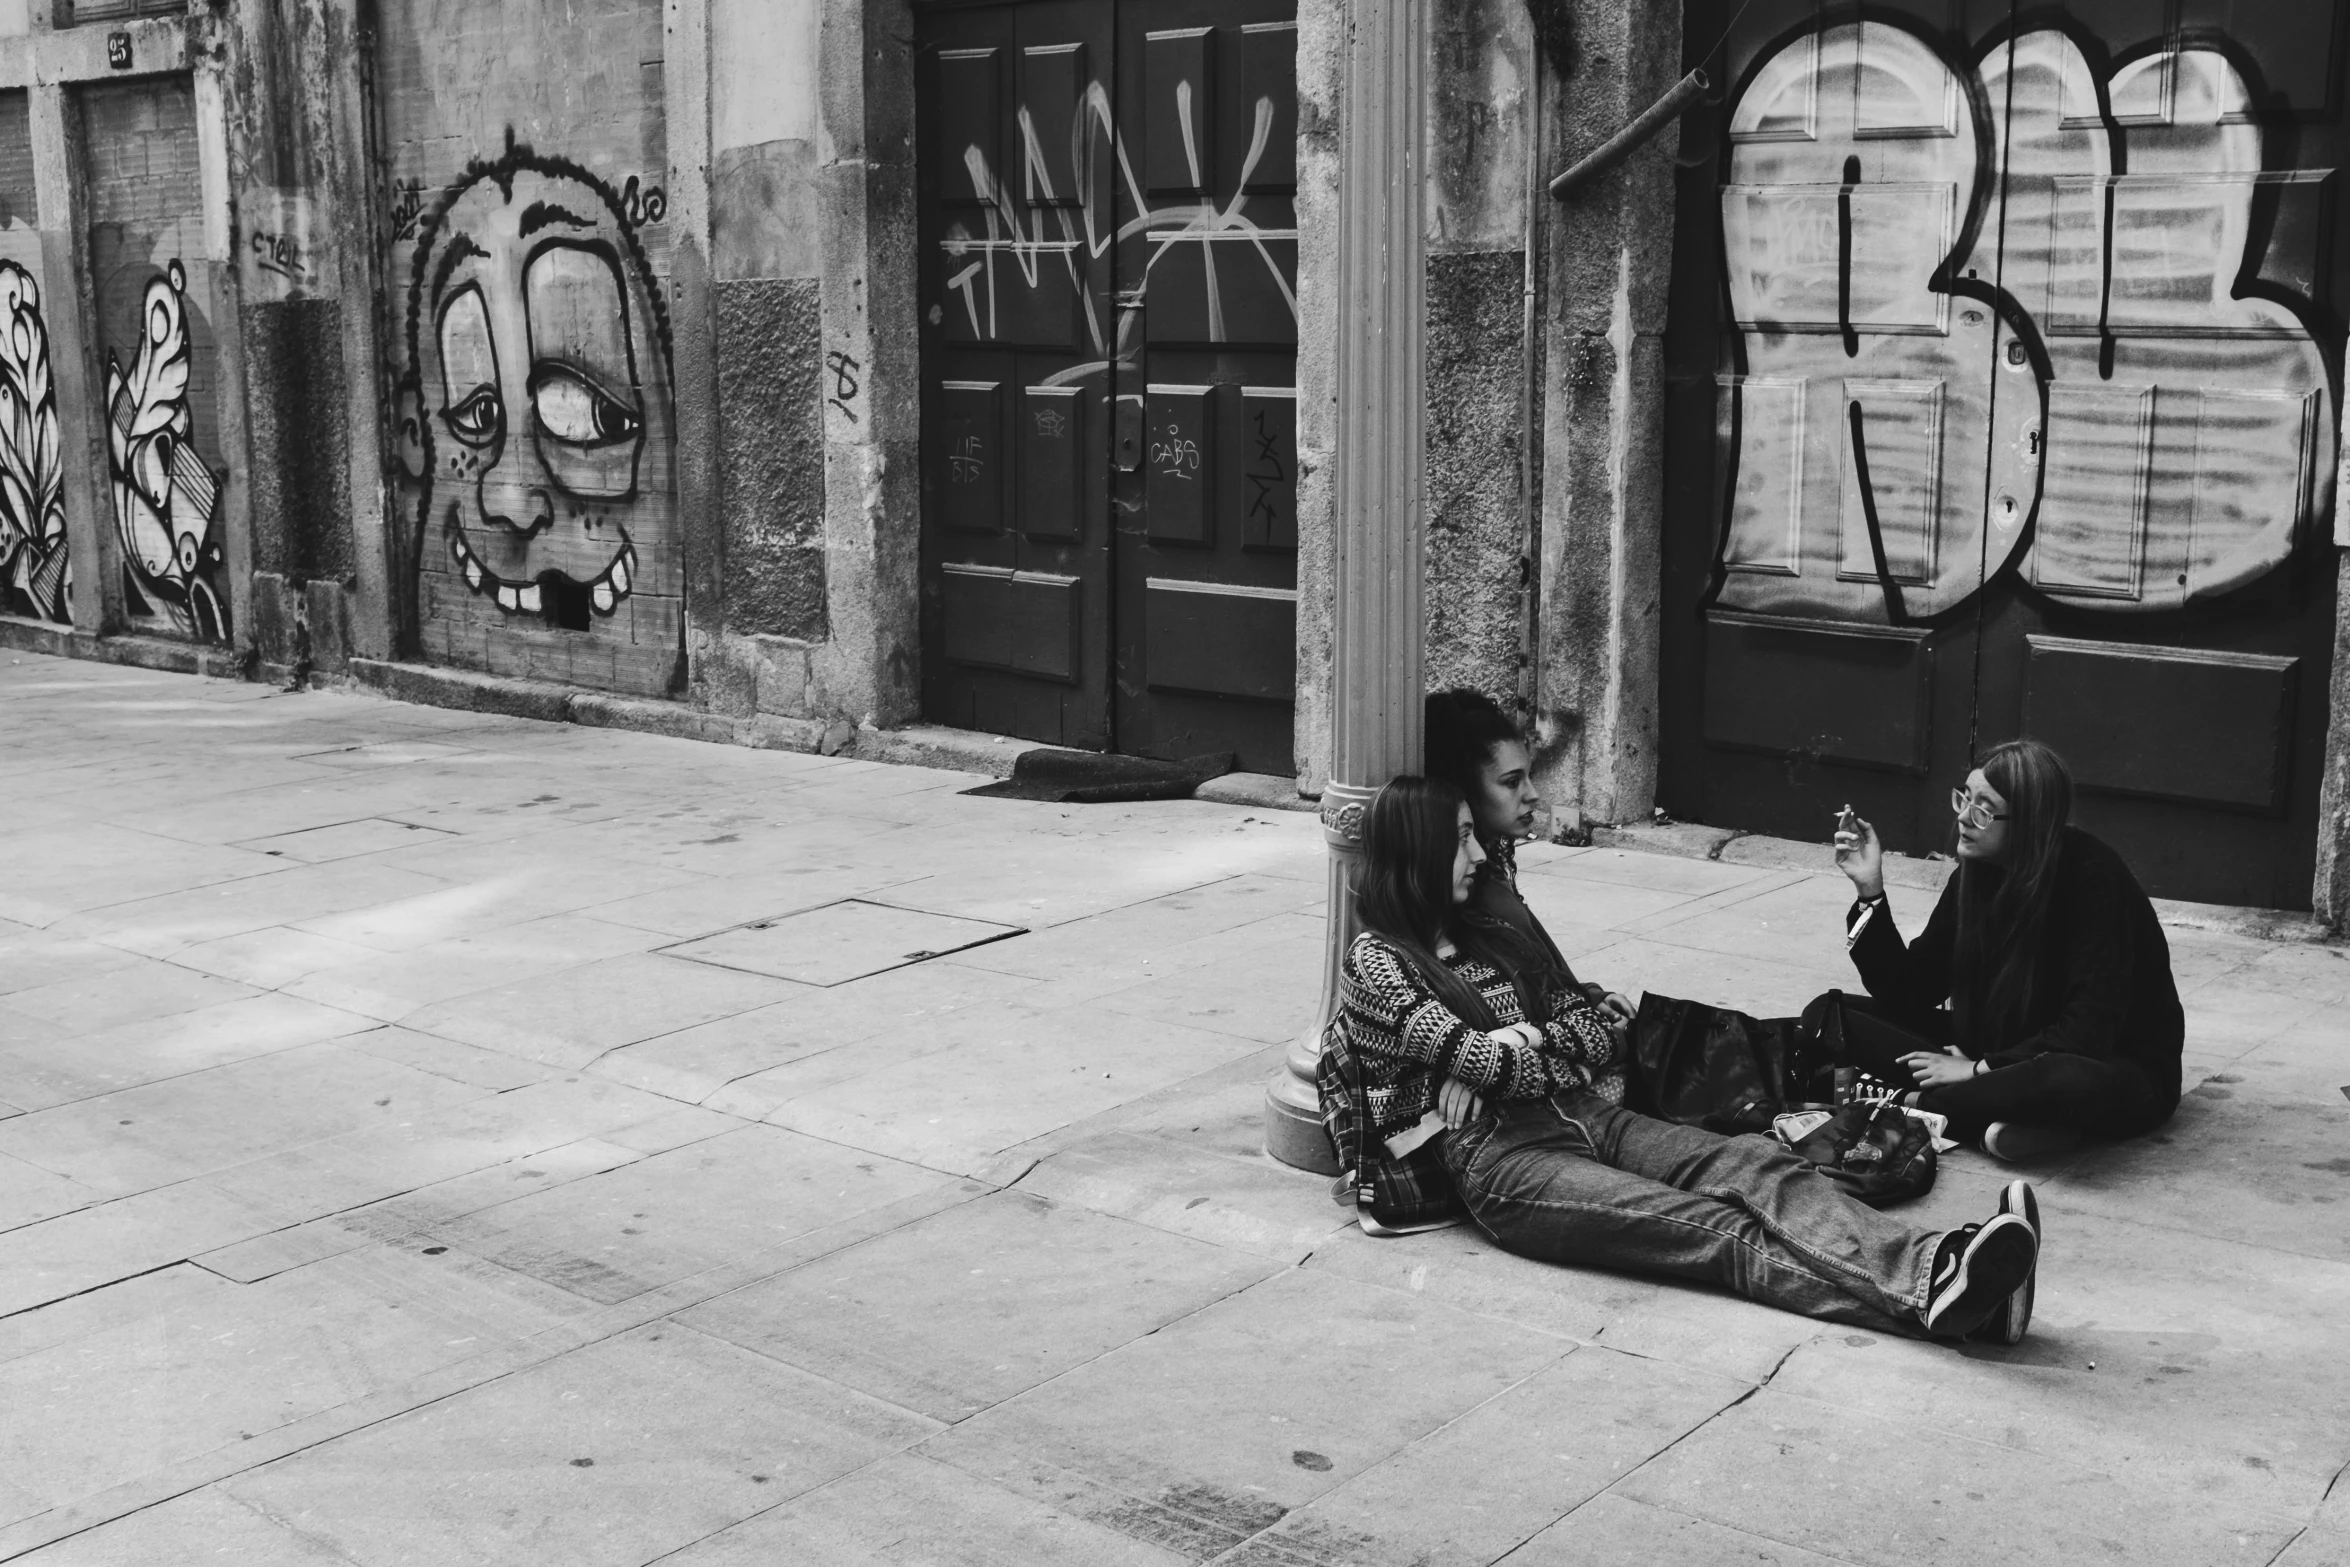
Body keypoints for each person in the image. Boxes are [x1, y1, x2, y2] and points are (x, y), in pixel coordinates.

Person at [1323, 773, 2043, 1343]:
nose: (1479, 854)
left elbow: (1599, 1026)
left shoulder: (1489, 933)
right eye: (1457, 840)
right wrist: (1514, 1052)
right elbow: (1490, 1061)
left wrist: (1527, 1042)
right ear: (1415, 851)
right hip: (1504, 1164)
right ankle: (1957, 1294)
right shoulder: (1378, 962)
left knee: (1757, 1163)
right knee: (1711, 1232)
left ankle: (1941, 1275)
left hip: (1582, 1112)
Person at [1831, 739, 2184, 1163]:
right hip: (1997, 1049)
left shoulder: (2094, 881)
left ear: (2029, 822)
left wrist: (1978, 1070)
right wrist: (1870, 891)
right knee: (1831, 1017)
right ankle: (2012, 1123)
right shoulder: (1975, 875)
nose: (1963, 816)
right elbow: (1910, 990)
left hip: (2110, 1068)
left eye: (1983, 807)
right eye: (1964, 797)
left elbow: (2086, 1034)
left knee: (2064, 1080)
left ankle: (1913, 1109)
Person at [1423, 689, 1635, 1052]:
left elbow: (1538, 971)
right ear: (1466, 790)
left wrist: (1587, 996)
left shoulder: (1485, 872)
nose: (1532, 794)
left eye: (1528, 777)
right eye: (1511, 782)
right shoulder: (1465, 889)